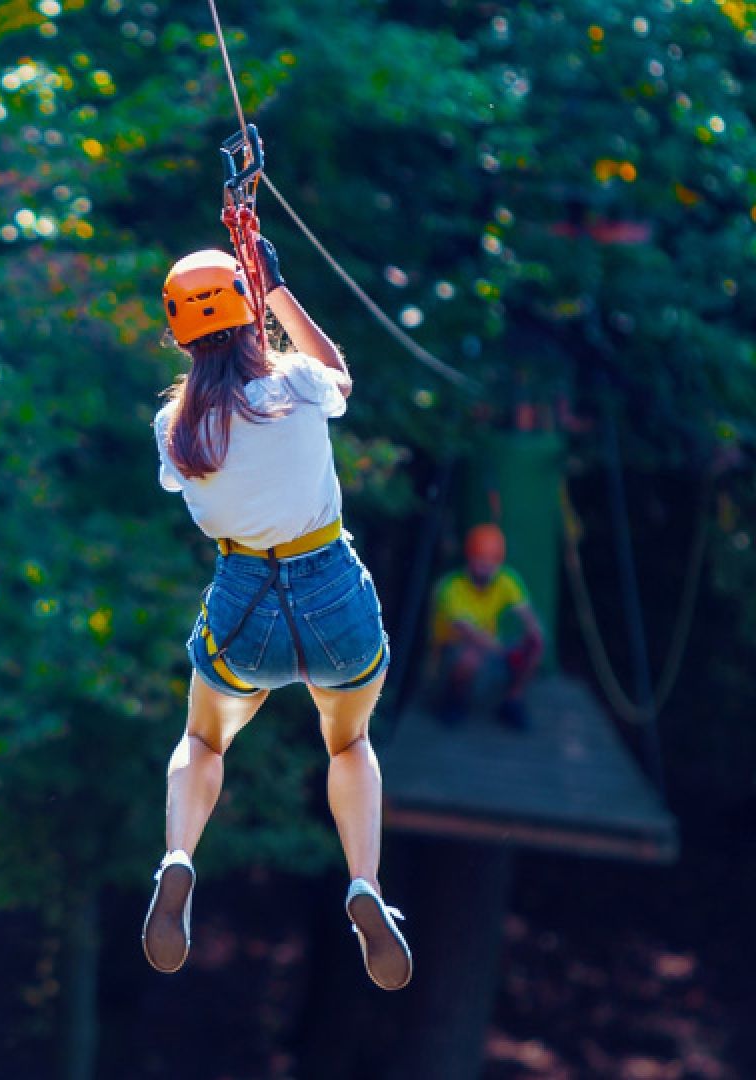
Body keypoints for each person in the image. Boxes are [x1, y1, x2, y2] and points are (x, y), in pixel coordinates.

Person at [140, 239, 412, 991]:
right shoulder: (294, 382)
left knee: (203, 736)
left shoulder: (175, 428)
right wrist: (278, 290)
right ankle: (364, 884)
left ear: (178, 332)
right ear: (248, 308)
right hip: (333, 595)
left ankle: (179, 858)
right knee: (349, 741)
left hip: (243, 605)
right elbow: (340, 376)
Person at [429, 523, 546, 729]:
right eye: (480, 560)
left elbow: (527, 615)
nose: (485, 567)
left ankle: (512, 702)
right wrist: (505, 651)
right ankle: (453, 702)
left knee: (536, 645)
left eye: (491, 562)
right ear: (469, 558)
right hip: (452, 656)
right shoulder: (451, 587)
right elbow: (468, 632)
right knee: (470, 656)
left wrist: (533, 634)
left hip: (491, 650)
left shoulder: (506, 580)